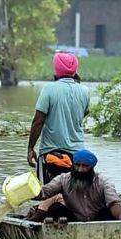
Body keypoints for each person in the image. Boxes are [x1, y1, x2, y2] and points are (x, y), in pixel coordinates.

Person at [27, 52, 91, 184]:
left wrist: (30, 148)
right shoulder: (85, 91)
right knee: (73, 194)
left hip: (51, 154)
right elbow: (83, 114)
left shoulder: (49, 89)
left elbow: (38, 122)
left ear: (56, 69)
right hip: (77, 155)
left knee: (47, 193)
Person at [26, 149, 121, 223]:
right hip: (72, 220)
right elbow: (44, 192)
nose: (80, 170)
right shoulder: (63, 179)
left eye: (85, 166)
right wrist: (25, 192)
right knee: (55, 208)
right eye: (77, 165)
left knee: (107, 212)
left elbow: (114, 203)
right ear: (73, 165)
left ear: (92, 168)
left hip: (98, 220)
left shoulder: (104, 182)